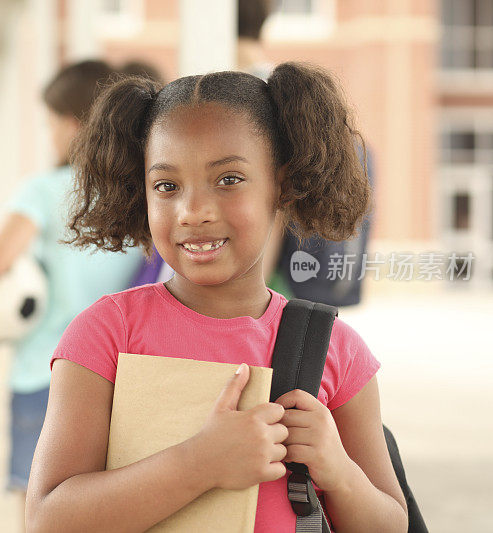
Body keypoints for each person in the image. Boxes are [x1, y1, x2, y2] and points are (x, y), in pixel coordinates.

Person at [26, 66, 408, 531]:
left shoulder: (333, 349)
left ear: (282, 183)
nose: (193, 212)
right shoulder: (107, 333)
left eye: (228, 179)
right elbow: (48, 519)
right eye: (166, 186)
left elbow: (392, 523)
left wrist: (340, 473)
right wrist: (200, 464)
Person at [0, 60, 143, 522]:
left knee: (42, 512)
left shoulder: (44, 191)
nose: (49, 134)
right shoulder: (138, 191)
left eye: (51, 123)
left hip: (48, 373)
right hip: (123, 375)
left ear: (74, 125)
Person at [237, 0, 374, 306]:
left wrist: (248, 299)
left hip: (266, 289)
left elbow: (276, 206)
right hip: (299, 289)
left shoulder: (245, 98)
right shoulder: (286, 92)